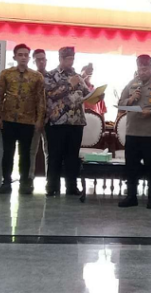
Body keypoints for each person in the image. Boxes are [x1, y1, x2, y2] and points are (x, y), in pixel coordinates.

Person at [117, 55, 151, 209]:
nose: (142, 72)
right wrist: (131, 100)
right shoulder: (131, 84)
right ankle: (131, 196)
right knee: (131, 167)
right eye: (140, 69)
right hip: (133, 133)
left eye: (145, 69)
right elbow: (120, 105)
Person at [0, 43, 46, 195]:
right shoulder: (6, 74)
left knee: (25, 153)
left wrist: (39, 120)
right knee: (8, 152)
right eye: (20, 55)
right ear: (15, 57)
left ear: (29, 58)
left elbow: (40, 100)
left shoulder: (37, 76)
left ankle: (24, 182)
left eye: (26, 55)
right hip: (8, 119)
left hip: (28, 120)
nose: (23, 57)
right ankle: (6, 182)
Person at [44, 46, 92, 196]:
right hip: (57, 122)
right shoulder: (50, 75)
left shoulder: (77, 75)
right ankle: (52, 187)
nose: (71, 62)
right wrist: (69, 85)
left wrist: (96, 94)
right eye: (68, 59)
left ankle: (71, 187)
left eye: (72, 59)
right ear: (61, 59)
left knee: (72, 156)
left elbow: (86, 93)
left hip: (76, 122)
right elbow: (51, 94)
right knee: (55, 155)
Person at [29, 48, 49, 183]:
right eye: (38, 59)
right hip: (32, 119)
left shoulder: (53, 77)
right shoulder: (30, 77)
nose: (41, 61)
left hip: (49, 119)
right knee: (31, 151)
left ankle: (50, 180)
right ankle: (28, 178)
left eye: (43, 59)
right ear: (34, 61)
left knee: (49, 151)